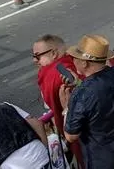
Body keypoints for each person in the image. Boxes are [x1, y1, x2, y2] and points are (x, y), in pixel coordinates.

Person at [61, 34, 114, 168]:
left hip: (104, 161)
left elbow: (71, 136)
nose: (73, 61)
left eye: (75, 58)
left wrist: (67, 108)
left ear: (84, 62)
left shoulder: (81, 94)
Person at [32, 34, 83, 166]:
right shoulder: (76, 62)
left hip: (79, 133)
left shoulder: (55, 75)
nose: (34, 60)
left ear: (54, 53)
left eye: (38, 56)